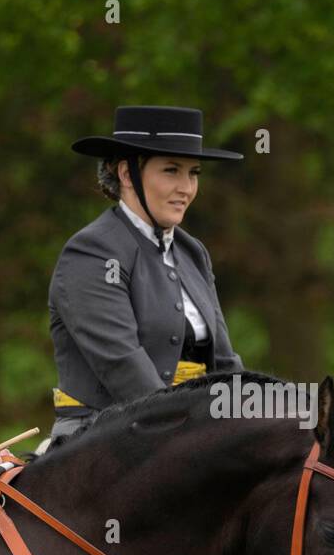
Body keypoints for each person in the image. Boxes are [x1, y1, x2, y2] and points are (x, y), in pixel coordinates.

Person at [42, 105, 244, 447]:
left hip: (189, 435)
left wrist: (271, 415)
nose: (186, 187)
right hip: (104, 440)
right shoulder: (92, 252)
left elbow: (224, 363)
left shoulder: (192, 252)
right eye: (171, 171)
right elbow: (124, 368)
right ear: (126, 173)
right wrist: (198, 436)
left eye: (193, 173)